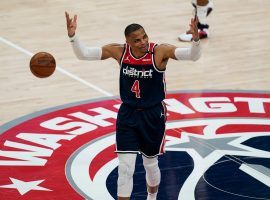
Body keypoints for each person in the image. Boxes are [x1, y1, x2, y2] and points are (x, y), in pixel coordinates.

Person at [65, 11, 201, 200]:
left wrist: (195, 40)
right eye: (137, 40)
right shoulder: (119, 51)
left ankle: (151, 197)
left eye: (145, 36)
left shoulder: (160, 51)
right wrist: (73, 36)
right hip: (128, 114)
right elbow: (85, 54)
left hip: (153, 115)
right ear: (128, 42)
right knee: (125, 168)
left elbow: (192, 56)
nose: (143, 42)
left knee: (150, 164)